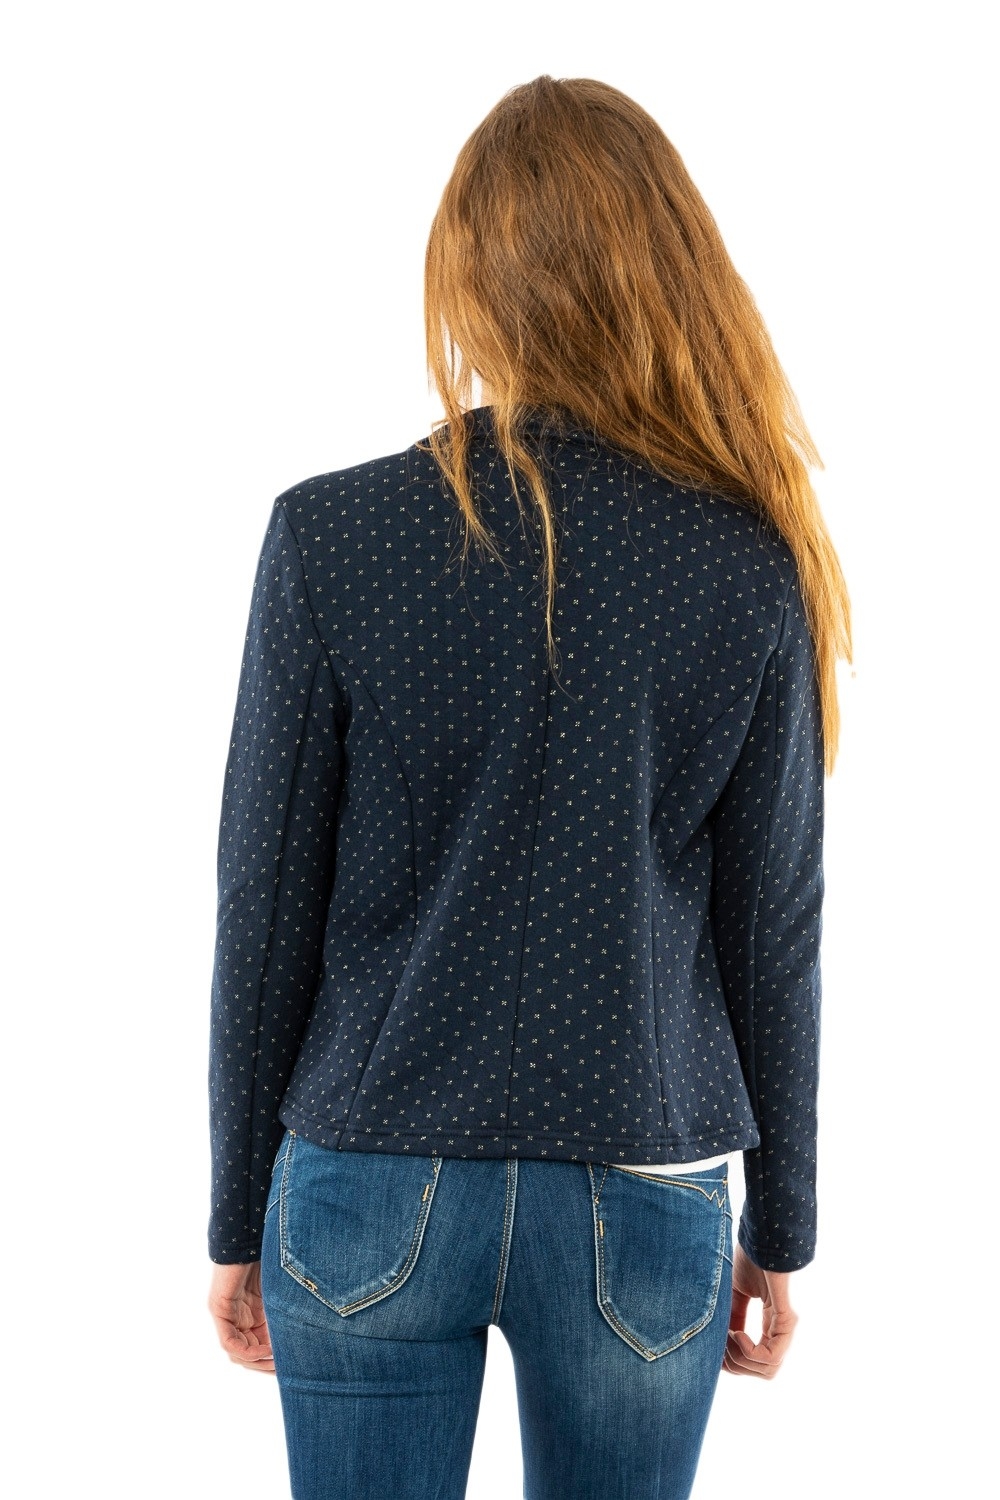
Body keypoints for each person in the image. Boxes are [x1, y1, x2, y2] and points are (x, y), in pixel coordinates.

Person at [206, 75, 851, 1500]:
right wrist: (784, 1228)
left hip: (370, 1175)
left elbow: (264, 902)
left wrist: (237, 1209)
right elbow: (775, 926)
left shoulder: (332, 535)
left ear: (470, 274)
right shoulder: (749, 562)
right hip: (643, 1182)